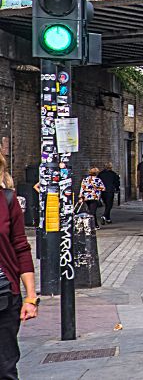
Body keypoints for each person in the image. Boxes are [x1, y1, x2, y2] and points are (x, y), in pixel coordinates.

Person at [0, 149, 37, 379]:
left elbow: (21, 247)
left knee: (5, 369)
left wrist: (30, 296)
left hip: (3, 298)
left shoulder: (7, 200)